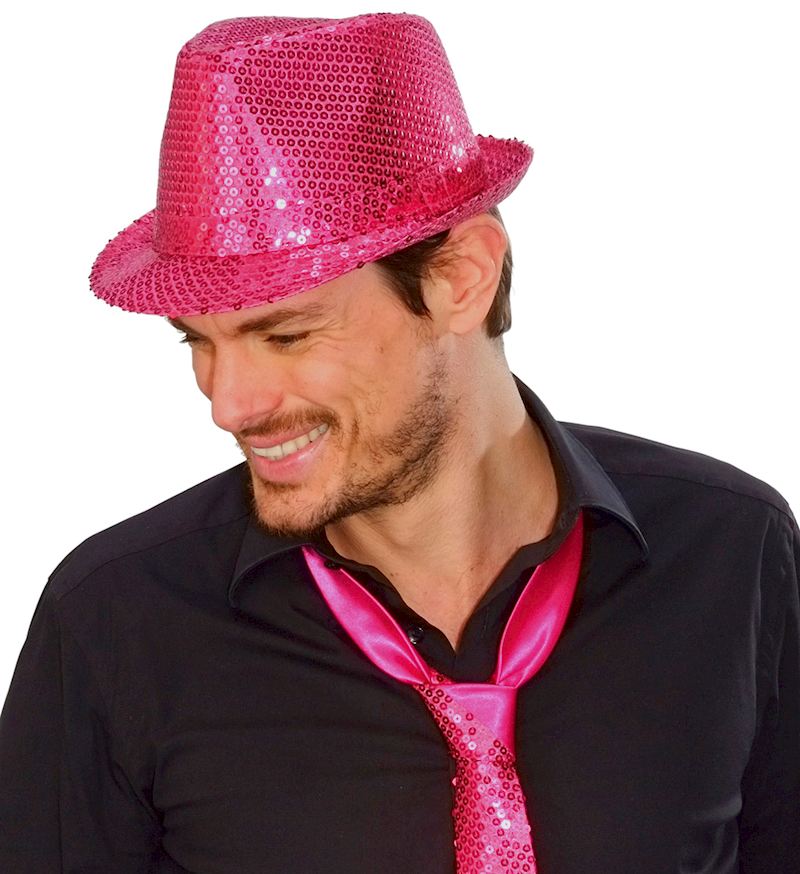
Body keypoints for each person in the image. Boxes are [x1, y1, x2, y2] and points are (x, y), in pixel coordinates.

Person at [0, 12, 797, 874]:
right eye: (198, 342)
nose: (229, 404)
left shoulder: (731, 552)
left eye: (287, 335)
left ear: (461, 278)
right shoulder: (118, 622)